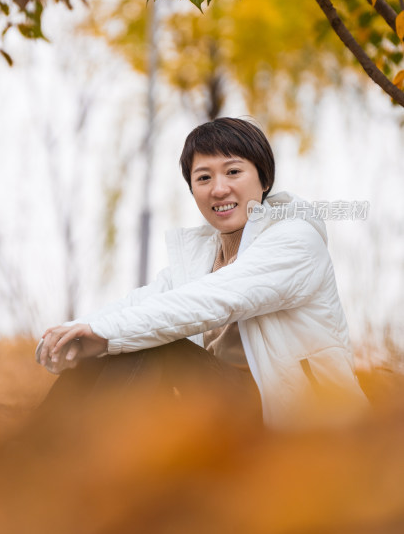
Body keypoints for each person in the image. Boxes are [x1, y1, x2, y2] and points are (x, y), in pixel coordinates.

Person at [36, 117, 368, 429]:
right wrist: (70, 333)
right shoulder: (201, 254)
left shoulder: (294, 239)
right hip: (218, 404)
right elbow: (143, 303)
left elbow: (213, 300)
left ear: (264, 179)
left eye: (233, 172)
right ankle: (34, 452)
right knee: (121, 341)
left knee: (152, 342)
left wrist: (103, 331)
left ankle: (85, 463)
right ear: (193, 189)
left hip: (293, 416)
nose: (219, 189)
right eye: (204, 177)